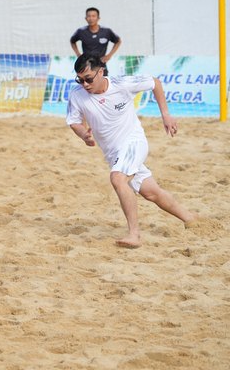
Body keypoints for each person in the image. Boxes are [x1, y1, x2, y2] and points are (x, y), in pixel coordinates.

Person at [66, 54, 198, 249]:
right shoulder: (77, 94)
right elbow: (74, 121)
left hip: (134, 142)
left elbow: (155, 82)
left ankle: (134, 234)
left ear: (101, 72)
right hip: (113, 154)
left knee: (118, 179)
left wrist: (166, 116)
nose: (84, 84)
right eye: (80, 79)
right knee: (151, 193)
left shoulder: (121, 84)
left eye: (88, 78)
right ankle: (192, 220)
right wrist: (83, 135)